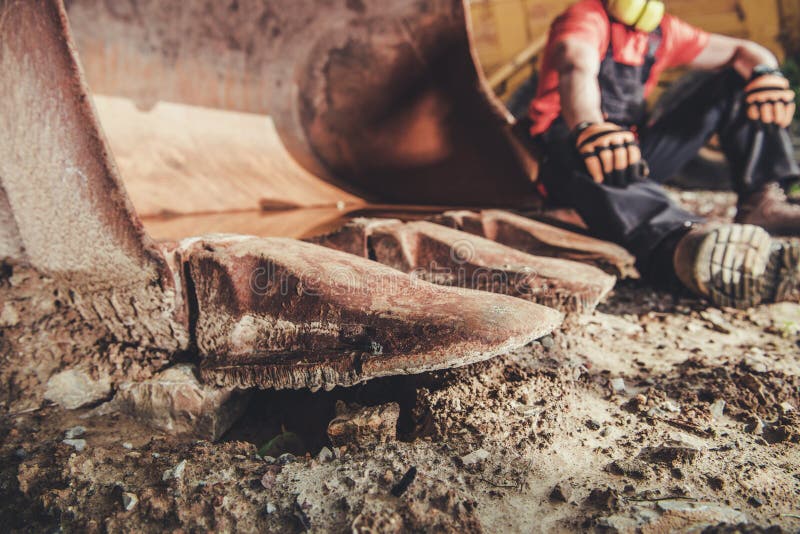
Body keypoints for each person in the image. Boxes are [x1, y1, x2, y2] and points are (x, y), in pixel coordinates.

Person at [528, 0, 800, 308]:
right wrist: (590, 125)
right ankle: (683, 243)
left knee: (740, 80)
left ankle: (761, 203)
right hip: (569, 150)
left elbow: (745, 52)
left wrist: (767, 73)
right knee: (598, 159)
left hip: (631, 153)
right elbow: (575, 63)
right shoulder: (587, 16)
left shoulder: (661, 33)